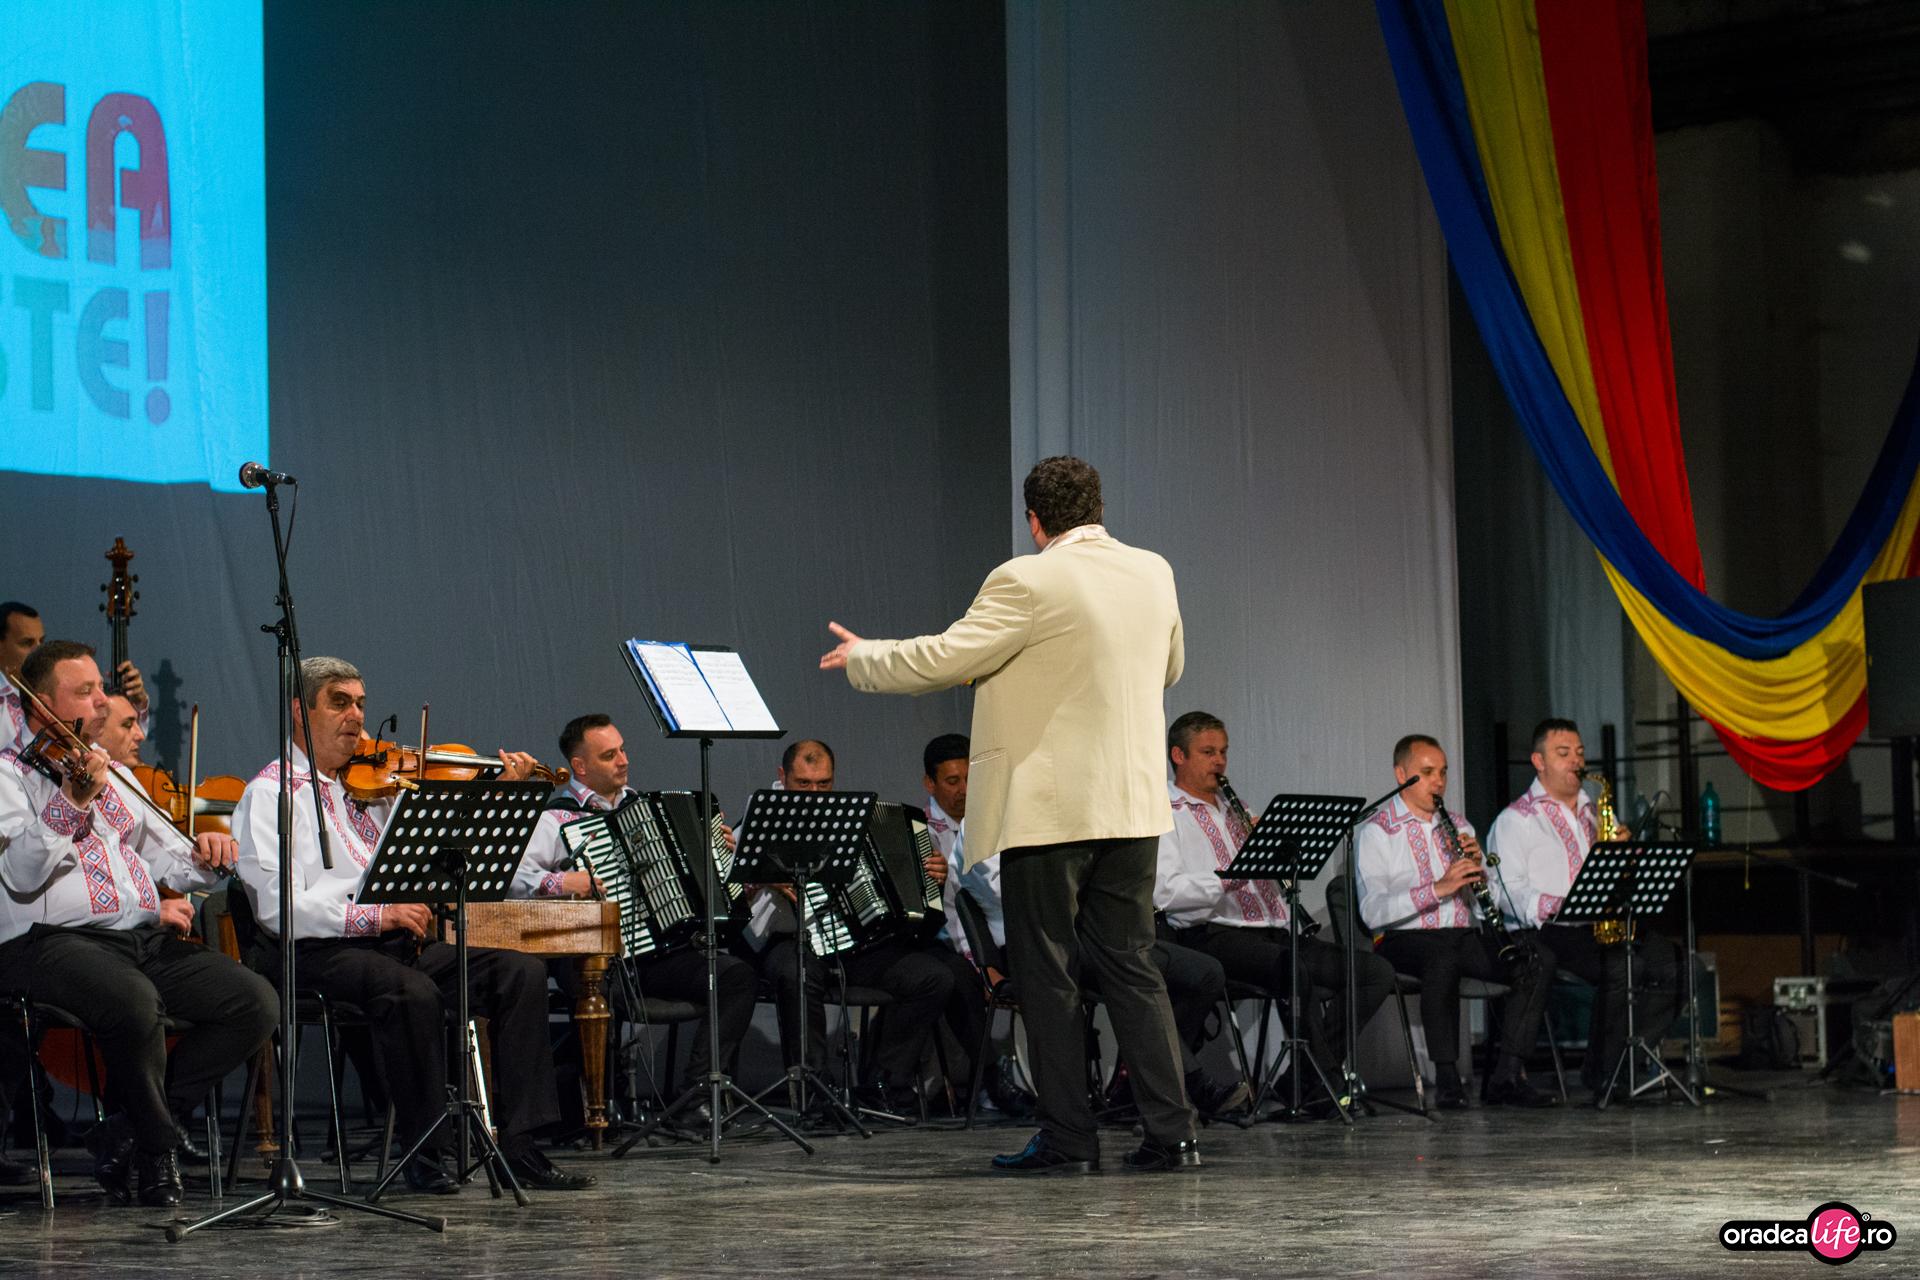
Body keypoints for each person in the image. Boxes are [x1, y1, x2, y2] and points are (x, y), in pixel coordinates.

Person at [822, 455, 1198, 1174]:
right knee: (1133, 969)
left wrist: (867, 656)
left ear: (1034, 520)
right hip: (1132, 804)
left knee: (1049, 977)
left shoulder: (1026, 579)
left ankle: (1070, 1140)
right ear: (1098, 508)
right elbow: (1170, 668)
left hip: (1052, 812)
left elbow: (946, 656)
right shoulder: (1154, 570)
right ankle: (1173, 1134)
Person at [231, 656, 594, 1194]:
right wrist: (375, 915)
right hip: (314, 952)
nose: (357, 716)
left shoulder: (375, 790)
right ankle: (426, 1151)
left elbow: (440, 860)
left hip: (390, 946)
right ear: (300, 711)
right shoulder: (271, 794)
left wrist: (499, 794)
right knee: (412, 992)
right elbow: (279, 908)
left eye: (361, 703)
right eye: (339, 702)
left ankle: (520, 1145)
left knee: (518, 973)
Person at [0, 640, 277, 1205]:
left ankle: (130, 1129)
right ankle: (157, 1151)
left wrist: (206, 854)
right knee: (134, 1002)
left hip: (137, 940)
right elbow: (22, 875)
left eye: (100, 689)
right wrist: (70, 803)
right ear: (43, 706)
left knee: (253, 1002)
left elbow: (171, 859)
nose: (103, 701)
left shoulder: (116, 775)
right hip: (45, 944)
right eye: (86, 692)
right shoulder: (8, 775)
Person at [517, 713, 756, 1115]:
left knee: (735, 976)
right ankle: (596, 1110)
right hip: (590, 957)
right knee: (592, 987)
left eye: (623, 750)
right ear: (580, 766)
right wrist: (562, 882)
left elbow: (699, 878)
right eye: (609, 755)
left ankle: (696, 1097)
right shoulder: (555, 818)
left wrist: (716, 850)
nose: (624, 760)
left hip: (656, 953)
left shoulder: (649, 809)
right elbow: (512, 877)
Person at [1155, 711, 1395, 1110]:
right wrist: (1230, 877)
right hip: (1212, 935)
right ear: (1179, 756)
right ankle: (1322, 1085)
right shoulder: (1165, 812)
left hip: (1273, 932)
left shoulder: (1236, 809)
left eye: (1224, 752)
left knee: (1374, 973)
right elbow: (1166, 893)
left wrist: (1279, 853)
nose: (1220, 761)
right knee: (1293, 968)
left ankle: (1302, 1079)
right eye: (1208, 752)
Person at [738, 739, 971, 1116]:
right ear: (783, 776)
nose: (815, 795)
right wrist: (761, 875)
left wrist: (931, 876)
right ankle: (814, 1089)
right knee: (798, 972)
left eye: (824, 784)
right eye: (804, 784)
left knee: (933, 978)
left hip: (852, 941)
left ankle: (882, 1082)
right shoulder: (760, 813)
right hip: (787, 938)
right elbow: (731, 887)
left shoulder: (849, 817)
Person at [1355, 734, 1556, 1110]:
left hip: (1461, 934)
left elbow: (1483, 906)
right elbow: (1372, 912)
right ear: (1401, 774)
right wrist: (1438, 888)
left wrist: (1480, 877)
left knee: (1535, 959)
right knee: (1442, 959)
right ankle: (1447, 1079)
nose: (1439, 782)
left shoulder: (1460, 826)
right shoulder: (1377, 831)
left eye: (1443, 772)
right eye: (1428, 772)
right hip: (1403, 939)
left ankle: (1507, 1076)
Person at [1486, 718, 1681, 1101]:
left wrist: (1626, 858)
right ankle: (1603, 1073)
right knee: (1623, 967)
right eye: (1563, 753)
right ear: (1539, 761)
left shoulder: (1595, 813)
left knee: (1677, 964)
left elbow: (1618, 882)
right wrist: (1562, 903)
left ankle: (1625, 1062)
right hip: (1546, 929)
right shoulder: (1516, 820)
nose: (1576, 761)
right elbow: (1505, 891)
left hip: (1596, 923)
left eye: (1579, 752)